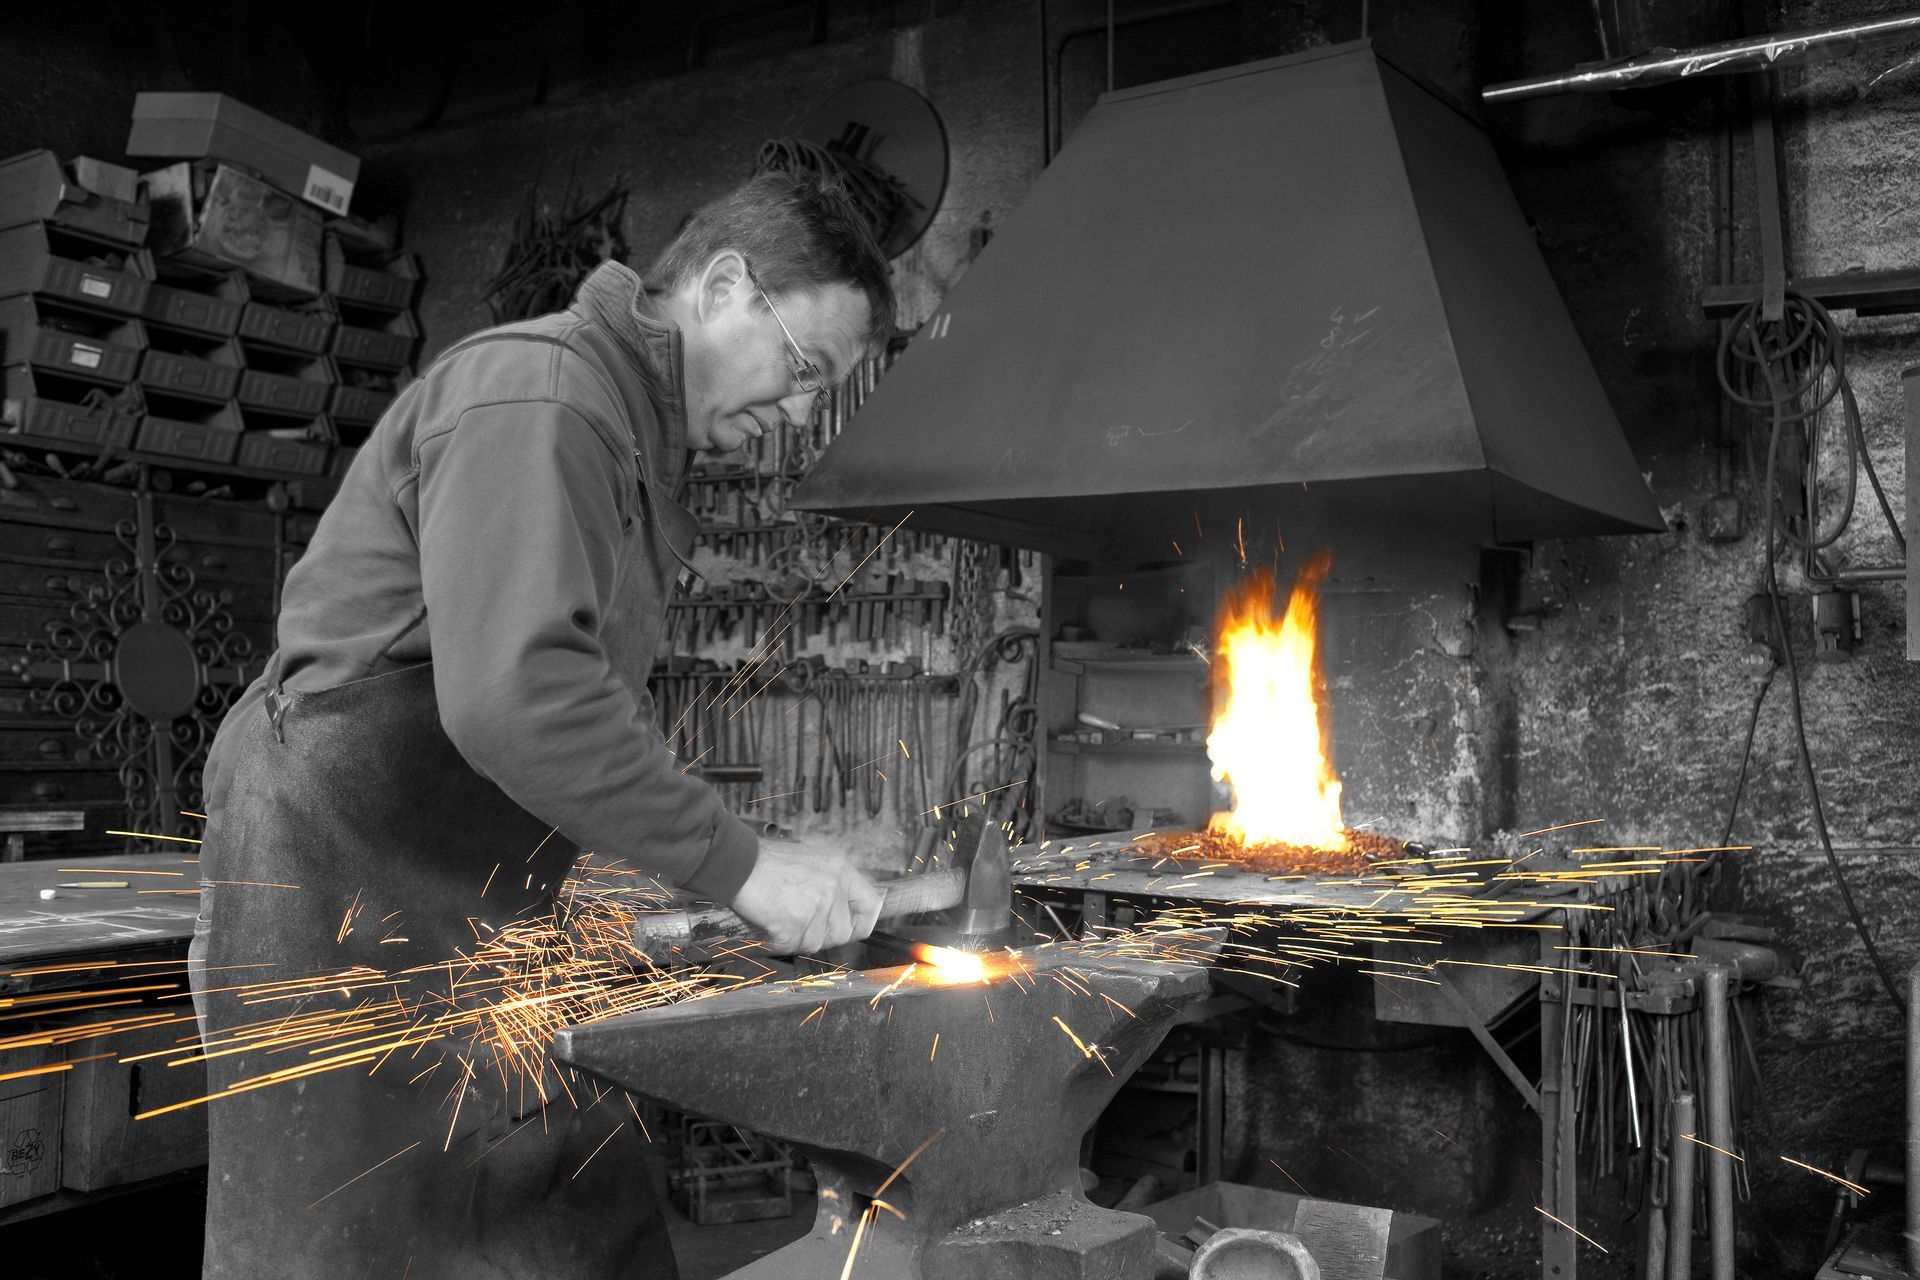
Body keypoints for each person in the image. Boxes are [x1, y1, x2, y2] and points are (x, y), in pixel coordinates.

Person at [188, 171, 896, 1279]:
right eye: (806, 370)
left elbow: (564, 707)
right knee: (348, 1245)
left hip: (465, 891)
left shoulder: (622, 434)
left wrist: (710, 852)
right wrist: (740, 863)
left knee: (579, 1212)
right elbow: (513, 697)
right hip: (341, 888)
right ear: (721, 288)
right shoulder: (543, 395)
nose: (801, 416)